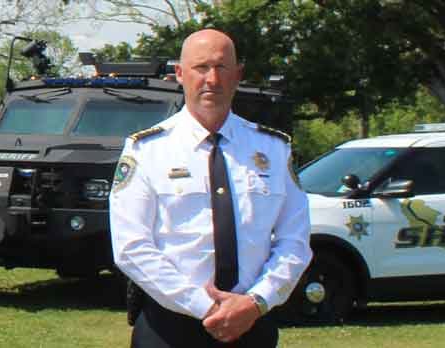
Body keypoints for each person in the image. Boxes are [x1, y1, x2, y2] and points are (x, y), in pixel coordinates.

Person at [108, 29, 312, 348]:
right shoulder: (146, 150)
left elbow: (295, 242)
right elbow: (131, 246)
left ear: (238, 75)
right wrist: (209, 308)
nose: (212, 80)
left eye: (221, 68)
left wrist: (256, 301)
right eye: (201, 67)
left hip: (252, 324)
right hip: (169, 329)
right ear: (179, 73)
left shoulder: (273, 150)